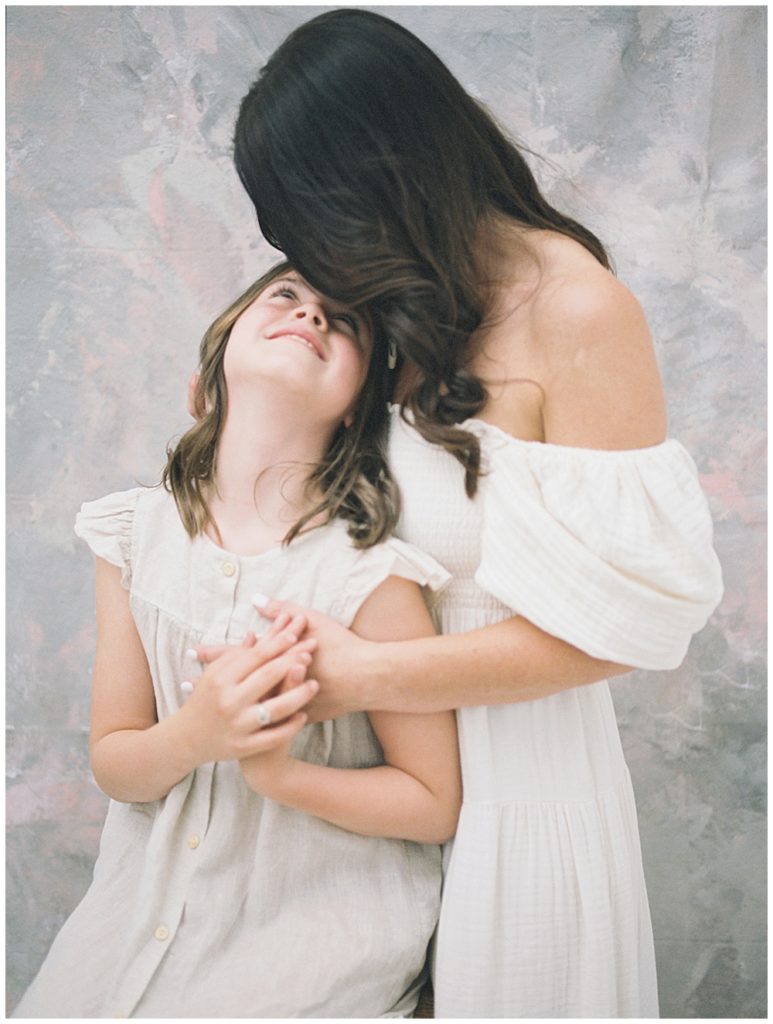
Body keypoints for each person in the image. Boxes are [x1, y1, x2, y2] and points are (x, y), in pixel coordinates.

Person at [222, 9, 725, 1018]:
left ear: (377, 177)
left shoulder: (575, 310)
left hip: (519, 803)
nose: (307, 259)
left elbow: (620, 628)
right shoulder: (394, 313)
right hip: (375, 806)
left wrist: (363, 673)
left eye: (310, 222)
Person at [14, 261, 461, 1019]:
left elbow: (432, 802)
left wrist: (279, 776)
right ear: (213, 367)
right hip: (126, 932)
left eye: (344, 319)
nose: (311, 315)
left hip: (307, 953)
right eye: (285, 295)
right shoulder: (133, 538)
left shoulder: (369, 578)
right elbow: (118, 764)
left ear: (358, 409)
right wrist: (196, 734)